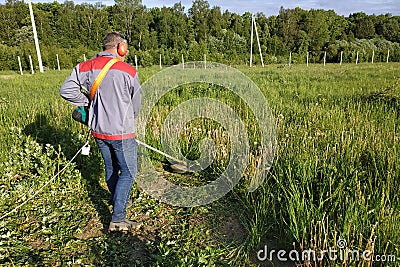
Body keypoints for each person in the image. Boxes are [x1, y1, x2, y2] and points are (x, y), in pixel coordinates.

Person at [60, 32, 142, 232]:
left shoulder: (84, 67)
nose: (126, 51)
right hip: (122, 133)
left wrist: (87, 103)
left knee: (111, 169)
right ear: (120, 47)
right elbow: (136, 104)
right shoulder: (128, 70)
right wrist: (129, 118)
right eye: (126, 48)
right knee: (129, 171)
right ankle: (118, 218)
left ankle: (119, 201)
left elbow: (66, 90)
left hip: (97, 130)